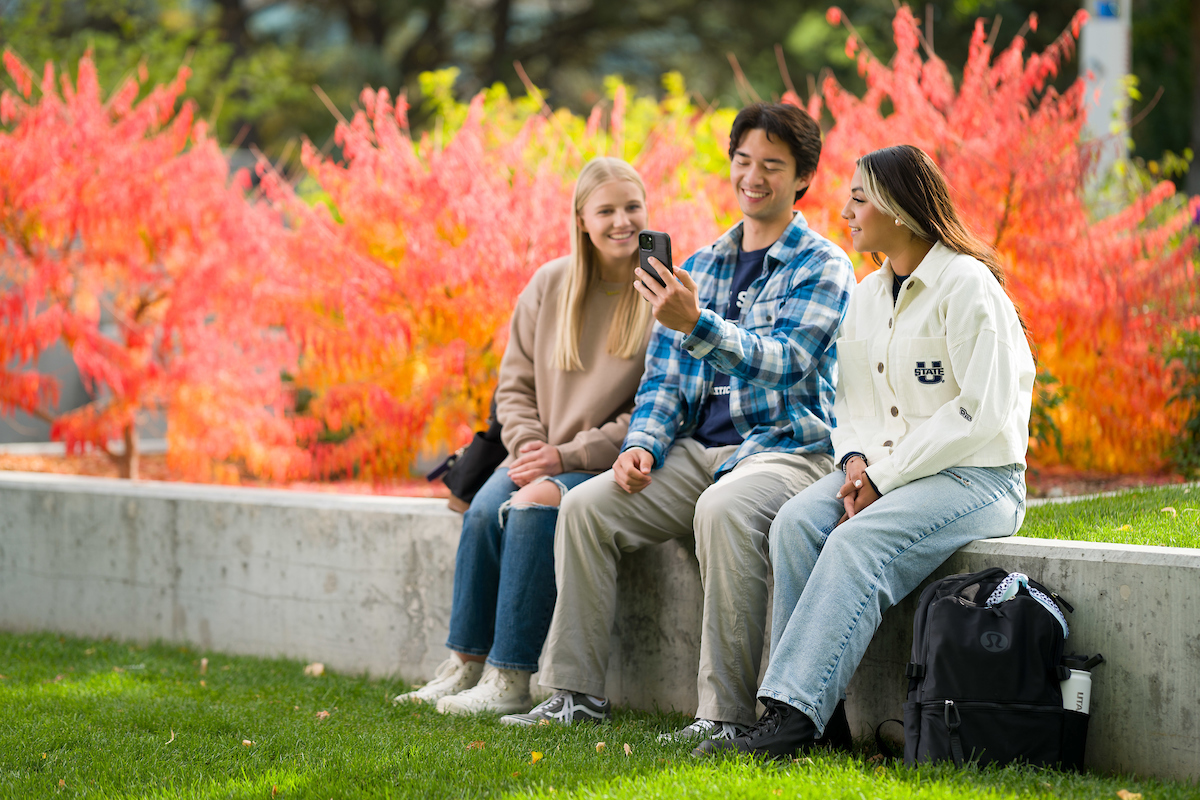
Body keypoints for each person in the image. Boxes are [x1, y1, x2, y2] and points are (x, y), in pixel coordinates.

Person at [500, 103, 856, 740]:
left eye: (772, 166)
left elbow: (786, 361)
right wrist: (643, 443)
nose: (753, 176)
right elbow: (663, 381)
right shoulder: (704, 263)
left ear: (802, 178)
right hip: (695, 452)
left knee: (723, 509)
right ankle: (575, 694)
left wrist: (699, 324)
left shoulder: (823, 265)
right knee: (586, 508)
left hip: (784, 450)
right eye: (743, 161)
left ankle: (723, 717)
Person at [695, 144, 1036, 758]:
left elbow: (976, 412)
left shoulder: (967, 285)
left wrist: (883, 475)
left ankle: (790, 717)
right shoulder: (867, 294)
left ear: (900, 211)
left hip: (977, 478)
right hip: (882, 470)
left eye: (859, 198)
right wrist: (855, 464)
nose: (844, 210)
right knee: (797, 522)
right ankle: (823, 726)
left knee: (854, 542)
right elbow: (847, 403)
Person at [393, 157, 653, 714]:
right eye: (605, 210)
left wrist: (567, 454)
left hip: (602, 462)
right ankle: (467, 665)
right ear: (582, 218)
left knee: (528, 508)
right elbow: (512, 385)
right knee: (486, 511)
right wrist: (532, 447)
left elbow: (650, 409)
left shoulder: (659, 298)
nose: (621, 222)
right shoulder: (549, 284)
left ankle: (511, 676)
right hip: (535, 452)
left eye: (632, 207)